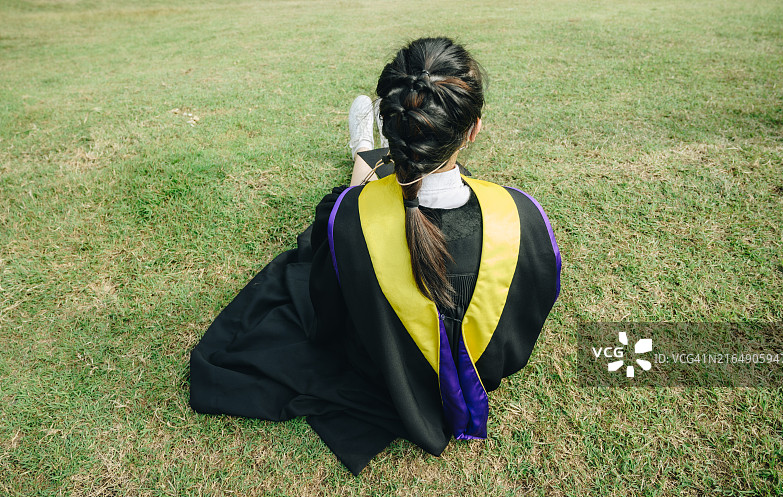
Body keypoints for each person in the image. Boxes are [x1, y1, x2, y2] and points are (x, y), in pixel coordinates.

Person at [189, 37, 561, 475]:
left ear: (394, 123)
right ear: (474, 130)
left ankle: (367, 155)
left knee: (355, 202)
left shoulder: (346, 220)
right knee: (367, 203)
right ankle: (373, 160)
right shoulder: (524, 217)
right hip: (483, 368)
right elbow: (528, 315)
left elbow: (328, 315)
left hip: (378, 369)